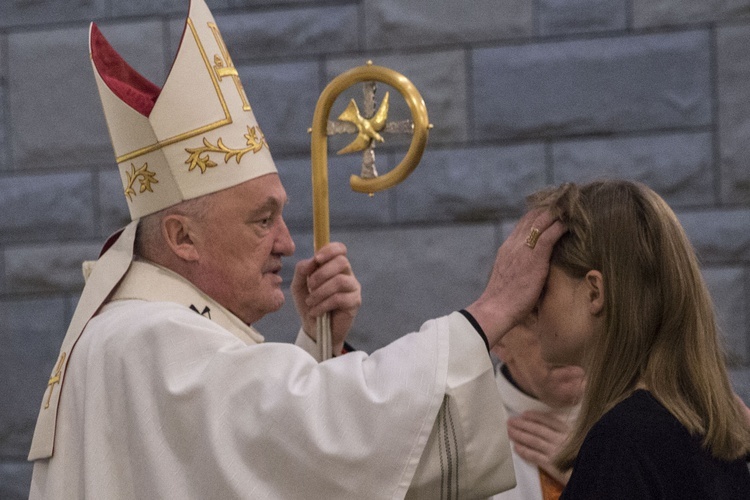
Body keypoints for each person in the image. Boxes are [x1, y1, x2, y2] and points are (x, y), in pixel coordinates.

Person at [27, 1, 567, 498]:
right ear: (181, 238)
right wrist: (494, 309)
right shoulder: (150, 340)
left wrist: (315, 345)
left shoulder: (138, 333)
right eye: (262, 220)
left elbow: (251, 456)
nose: (287, 242)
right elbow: (325, 435)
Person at [527, 180, 750, 498]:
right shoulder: (713, 433)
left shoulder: (622, 442)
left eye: (543, 286)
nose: (530, 308)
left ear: (594, 292)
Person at [490, 323, 584, 500]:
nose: (568, 341)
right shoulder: (462, 436)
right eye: (537, 318)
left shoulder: (643, 418)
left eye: (585, 316)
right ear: (500, 339)